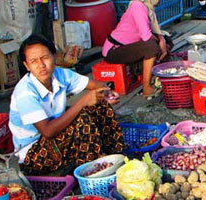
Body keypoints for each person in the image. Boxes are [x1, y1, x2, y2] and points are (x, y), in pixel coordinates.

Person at [9, 35, 124, 175]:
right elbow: (48, 131)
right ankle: (91, 173)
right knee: (82, 119)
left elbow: (94, 85)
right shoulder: (25, 92)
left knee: (99, 105)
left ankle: (113, 157)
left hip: (56, 140)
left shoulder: (60, 75)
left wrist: (107, 93)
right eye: (34, 61)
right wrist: (82, 102)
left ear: (54, 57)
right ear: (27, 65)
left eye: (45, 57)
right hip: (33, 155)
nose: (41, 65)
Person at [103, 0, 171, 99]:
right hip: (114, 50)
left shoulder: (148, 8)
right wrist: (160, 42)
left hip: (129, 47)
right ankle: (146, 87)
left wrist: (162, 40)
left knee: (167, 39)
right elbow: (146, 36)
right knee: (151, 46)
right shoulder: (137, 6)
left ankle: (158, 73)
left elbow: (156, 31)